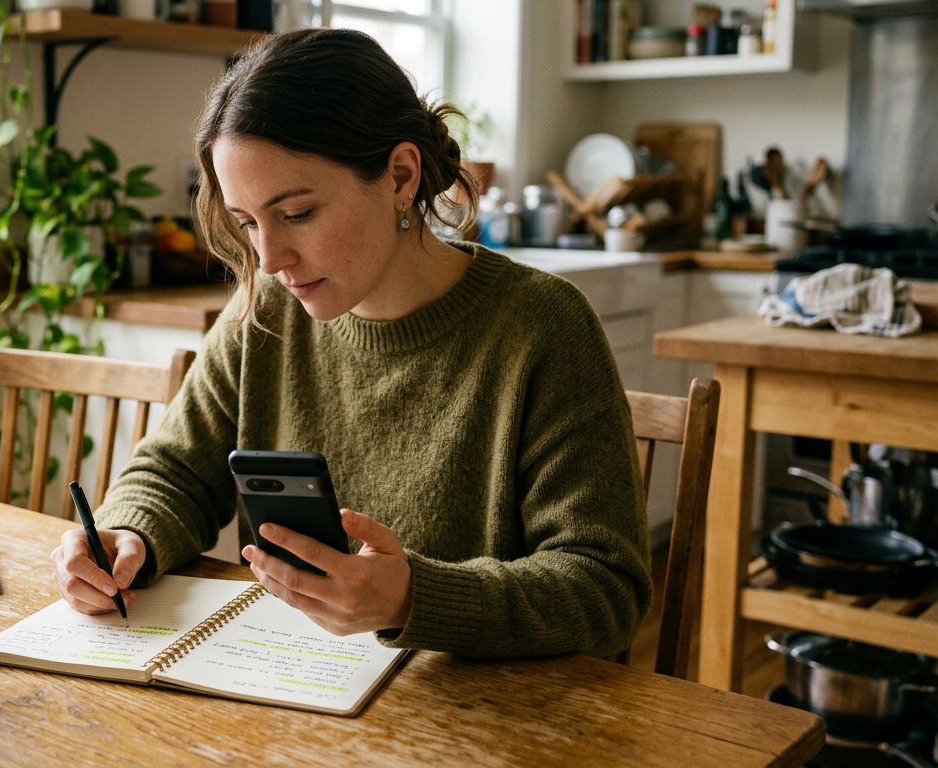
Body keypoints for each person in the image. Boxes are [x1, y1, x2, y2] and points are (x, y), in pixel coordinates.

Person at [51, 27, 651, 659]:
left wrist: (414, 597)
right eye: (248, 222)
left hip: (488, 724)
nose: (271, 258)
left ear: (399, 175)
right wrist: (125, 534)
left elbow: (604, 588)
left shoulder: (543, 326)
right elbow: (174, 469)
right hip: (294, 695)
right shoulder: (266, 310)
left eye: (298, 213)